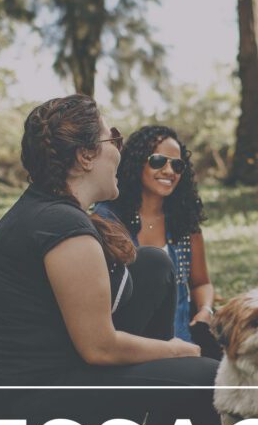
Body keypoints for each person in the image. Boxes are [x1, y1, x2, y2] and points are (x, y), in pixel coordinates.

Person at [0, 95, 219, 425]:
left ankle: (157, 375)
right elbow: (99, 348)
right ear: (85, 156)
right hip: (25, 398)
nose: (119, 149)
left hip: (53, 365)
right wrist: (174, 350)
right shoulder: (62, 227)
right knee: (218, 382)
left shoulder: (51, 211)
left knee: (153, 264)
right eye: (112, 138)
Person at [92, 126, 219, 355]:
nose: (170, 170)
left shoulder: (184, 221)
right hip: (130, 345)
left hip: (183, 343)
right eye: (159, 161)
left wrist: (205, 310)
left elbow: (200, 283)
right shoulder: (107, 218)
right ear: (137, 162)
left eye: (177, 165)